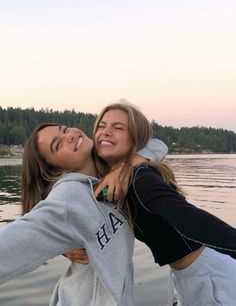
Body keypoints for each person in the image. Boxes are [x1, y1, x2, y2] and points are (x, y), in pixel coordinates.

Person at [0, 122, 168, 306]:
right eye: (58, 145)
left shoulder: (109, 169)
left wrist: (125, 167)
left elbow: (157, 145)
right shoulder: (67, 198)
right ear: (56, 169)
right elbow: (12, 243)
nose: (69, 136)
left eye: (64, 130)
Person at [91, 103, 236, 306]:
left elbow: (190, 219)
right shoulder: (107, 180)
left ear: (135, 139)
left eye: (118, 128)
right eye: (101, 126)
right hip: (185, 275)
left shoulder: (140, 179)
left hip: (210, 274)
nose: (106, 132)